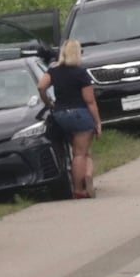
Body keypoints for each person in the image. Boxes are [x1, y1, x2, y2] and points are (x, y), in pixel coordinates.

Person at [37, 39, 101, 199]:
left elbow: (41, 86)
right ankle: (80, 188)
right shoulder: (80, 73)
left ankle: (86, 175)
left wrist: (47, 102)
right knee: (80, 154)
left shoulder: (54, 71)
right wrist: (98, 122)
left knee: (80, 149)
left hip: (61, 115)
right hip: (80, 114)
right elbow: (90, 101)